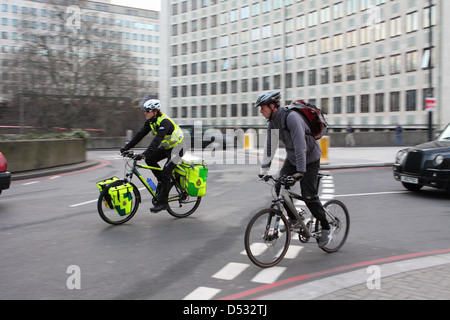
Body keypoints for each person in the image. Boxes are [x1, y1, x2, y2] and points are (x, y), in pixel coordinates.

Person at [255, 91, 333, 248]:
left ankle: (326, 227)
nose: (261, 111)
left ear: (272, 106)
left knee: (309, 196)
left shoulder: (292, 118)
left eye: (263, 107)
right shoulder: (273, 122)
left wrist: (301, 171)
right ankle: (295, 219)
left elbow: (300, 145)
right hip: (292, 159)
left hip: (309, 159)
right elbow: (270, 145)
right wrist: (265, 169)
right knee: (279, 187)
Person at [120, 99, 185, 212]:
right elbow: (140, 135)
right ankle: (162, 182)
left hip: (178, 148)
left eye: (147, 111)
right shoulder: (151, 122)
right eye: (144, 111)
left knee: (166, 172)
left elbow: (157, 141)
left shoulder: (165, 122)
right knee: (150, 160)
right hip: (167, 148)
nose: (145, 113)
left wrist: (144, 154)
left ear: (155, 111)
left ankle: (163, 203)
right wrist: (126, 147)